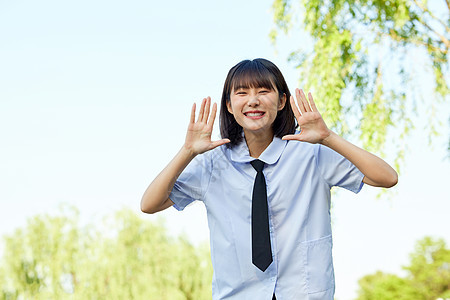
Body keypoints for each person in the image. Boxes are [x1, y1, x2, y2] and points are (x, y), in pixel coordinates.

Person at [140, 58, 398, 300]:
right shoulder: (212, 163)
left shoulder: (312, 153)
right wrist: (187, 152)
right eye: (242, 93)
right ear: (229, 105)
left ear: (282, 101)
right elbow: (149, 204)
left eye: (264, 91)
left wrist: (328, 137)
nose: (253, 100)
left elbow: (387, 177)